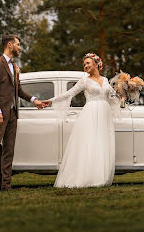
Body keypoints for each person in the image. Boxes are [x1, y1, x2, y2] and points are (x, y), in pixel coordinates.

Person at [41, 53, 120, 188]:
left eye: (88, 63)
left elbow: (113, 97)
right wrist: (51, 101)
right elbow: (70, 93)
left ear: (96, 64)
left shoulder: (105, 80)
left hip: (104, 114)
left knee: (102, 143)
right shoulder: (85, 80)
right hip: (90, 113)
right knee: (89, 143)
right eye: (84, 64)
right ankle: (86, 177)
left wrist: (125, 91)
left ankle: (100, 177)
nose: (86, 66)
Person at [0, 34, 43, 191]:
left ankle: (6, 185)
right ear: (9, 44)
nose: (20, 47)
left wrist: (34, 100)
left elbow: (18, 90)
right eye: (18, 44)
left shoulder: (14, 66)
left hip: (13, 114)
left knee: (9, 150)